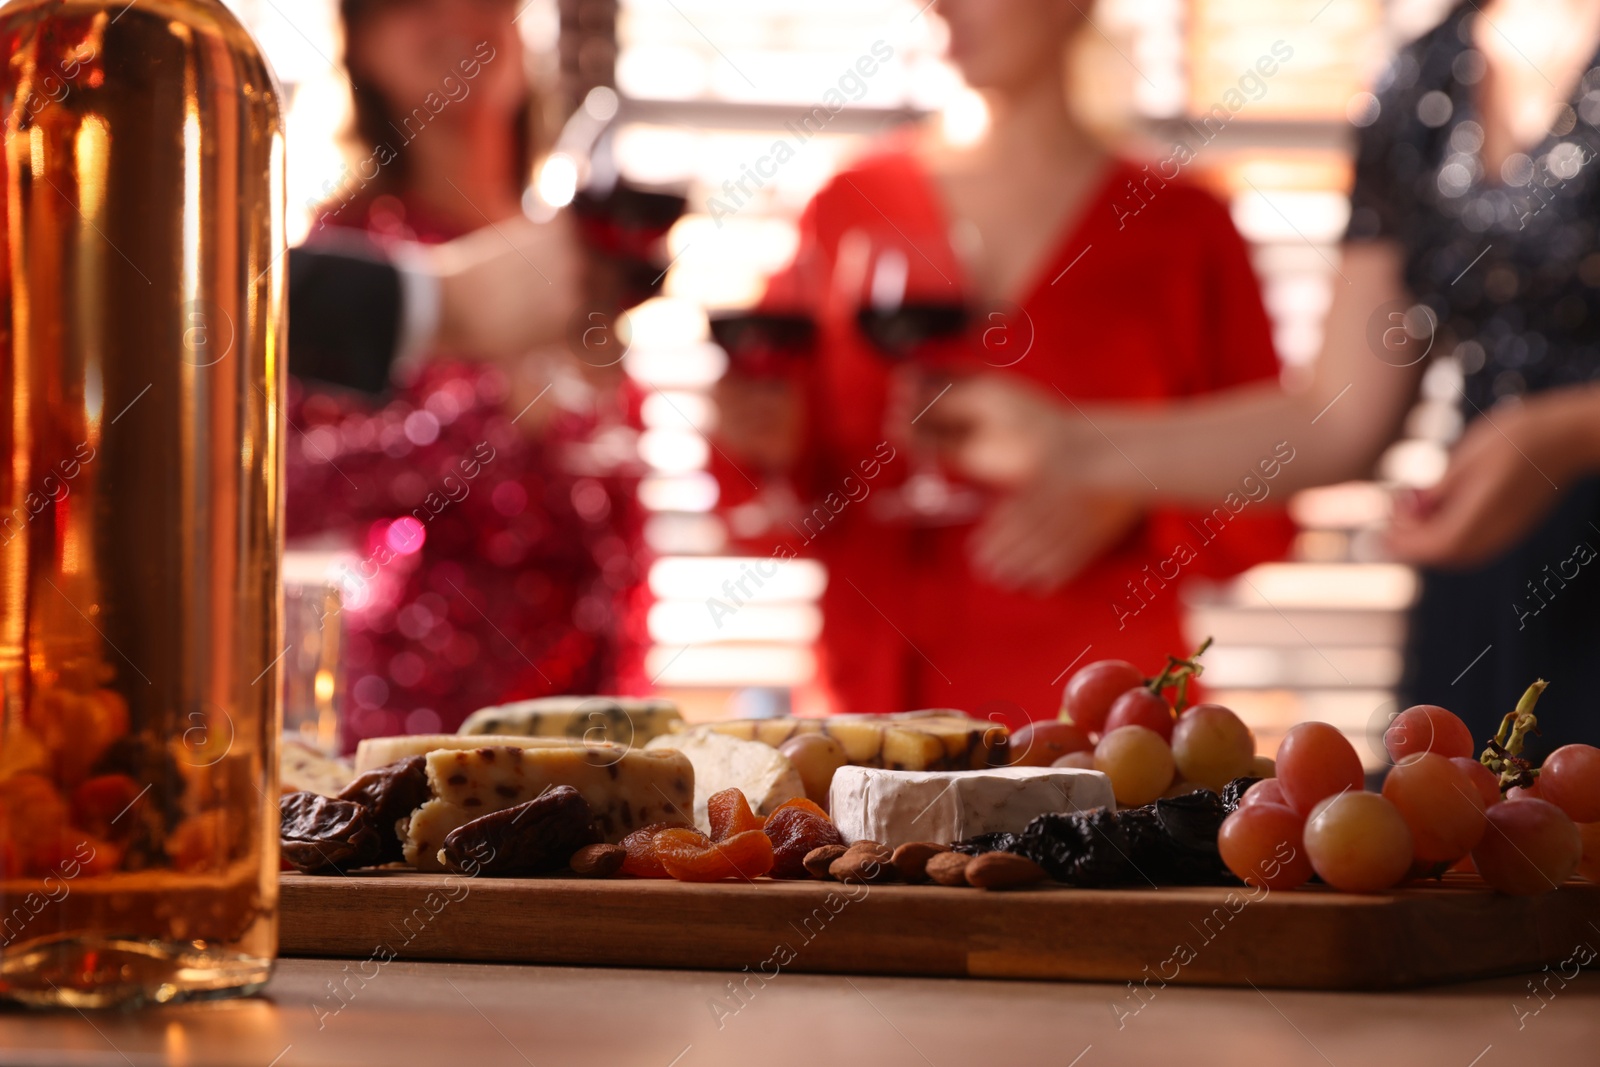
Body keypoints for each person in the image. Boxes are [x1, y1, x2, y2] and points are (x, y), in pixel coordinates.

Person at [924, 0, 1600, 745]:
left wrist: (1566, 434)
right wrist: (1066, 444)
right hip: (1486, 568)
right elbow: (1336, 416)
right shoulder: (1426, 83)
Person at [709, 0, 1293, 728]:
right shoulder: (849, 207)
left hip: (1102, 728)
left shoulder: (1186, 226)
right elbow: (771, 507)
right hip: (876, 724)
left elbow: (1272, 501)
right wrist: (766, 444)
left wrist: (1129, 484)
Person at [287, 0, 651, 744]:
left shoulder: (570, 257)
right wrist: (495, 410)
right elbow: (288, 491)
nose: (462, 14)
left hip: (588, 717)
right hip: (422, 727)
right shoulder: (345, 263)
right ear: (362, 43)